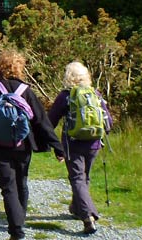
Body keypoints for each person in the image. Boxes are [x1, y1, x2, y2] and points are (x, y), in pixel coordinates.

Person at [0, 49, 65, 240]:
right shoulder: (26, 90)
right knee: (21, 182)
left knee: (8, 187)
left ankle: (17, 230)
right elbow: (41, 121)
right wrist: (58, 147)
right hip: (23, 145)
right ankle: (20, 219)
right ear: (20, 68)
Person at [48, 61, 112, 235]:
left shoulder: (65, 96)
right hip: (94, 143)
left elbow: (50, 121)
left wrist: (50, 142)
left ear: (68, 77)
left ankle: (88, 217)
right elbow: (108, 123)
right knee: (85, 178)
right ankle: (77, 208)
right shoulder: (95, 94)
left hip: (73, 143)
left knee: (77, 178)